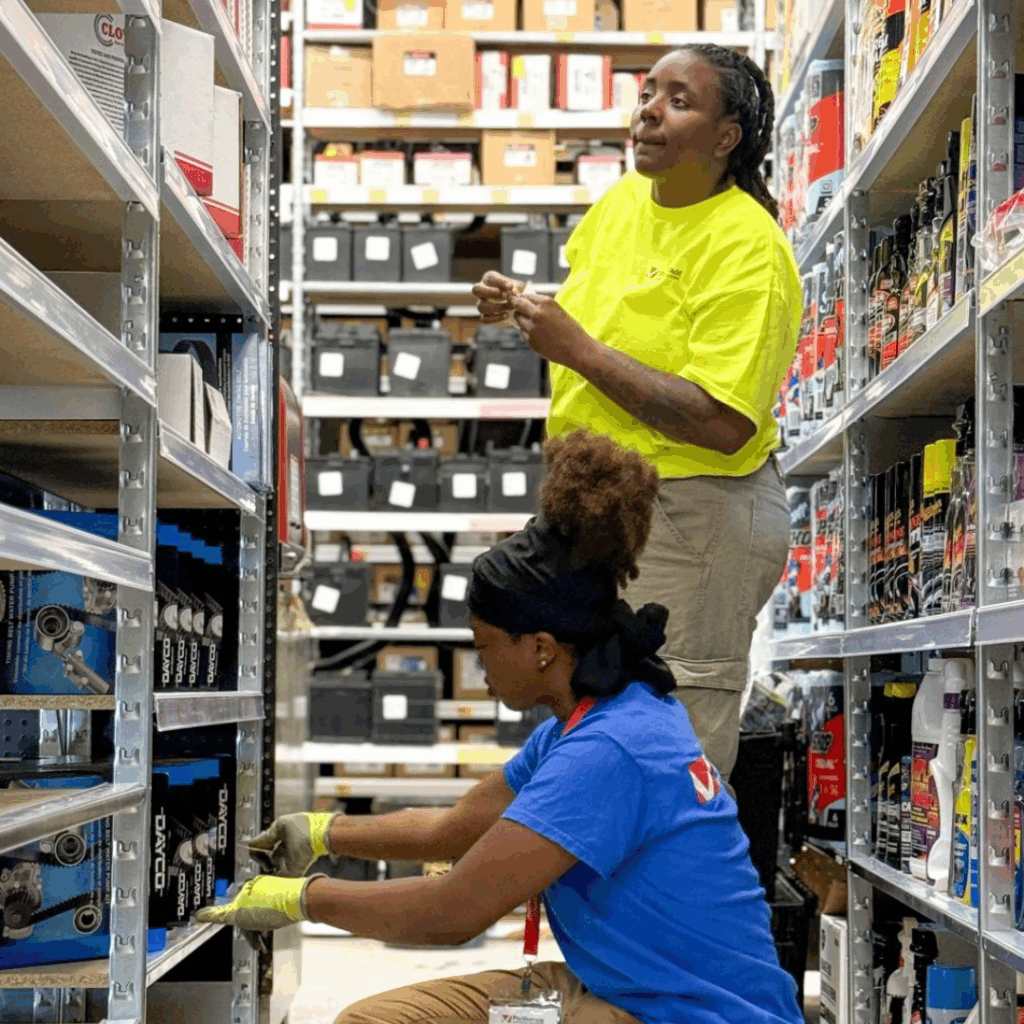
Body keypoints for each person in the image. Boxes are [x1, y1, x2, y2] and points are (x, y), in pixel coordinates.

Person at [198, 431, 804, 1024]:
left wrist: (302, 899)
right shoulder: (596, 719)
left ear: (541, 648)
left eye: (484, 646)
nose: (478, 665)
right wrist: (323, 833)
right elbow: (451, 829)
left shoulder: (609, 751)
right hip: (623, 985)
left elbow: (451, 910)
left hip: (692, 1012)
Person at [472, 44, 800, 780]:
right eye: (648, 92)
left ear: (726, 138)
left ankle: (672, 895)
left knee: (671, 743)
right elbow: (607, 324)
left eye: (679, 100)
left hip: (692, 515)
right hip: (606, 509)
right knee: (601, 731)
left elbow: (723, 420)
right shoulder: (622, 202)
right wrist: (530, 310)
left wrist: (577, 349)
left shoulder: (750, 248)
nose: (649, 109)